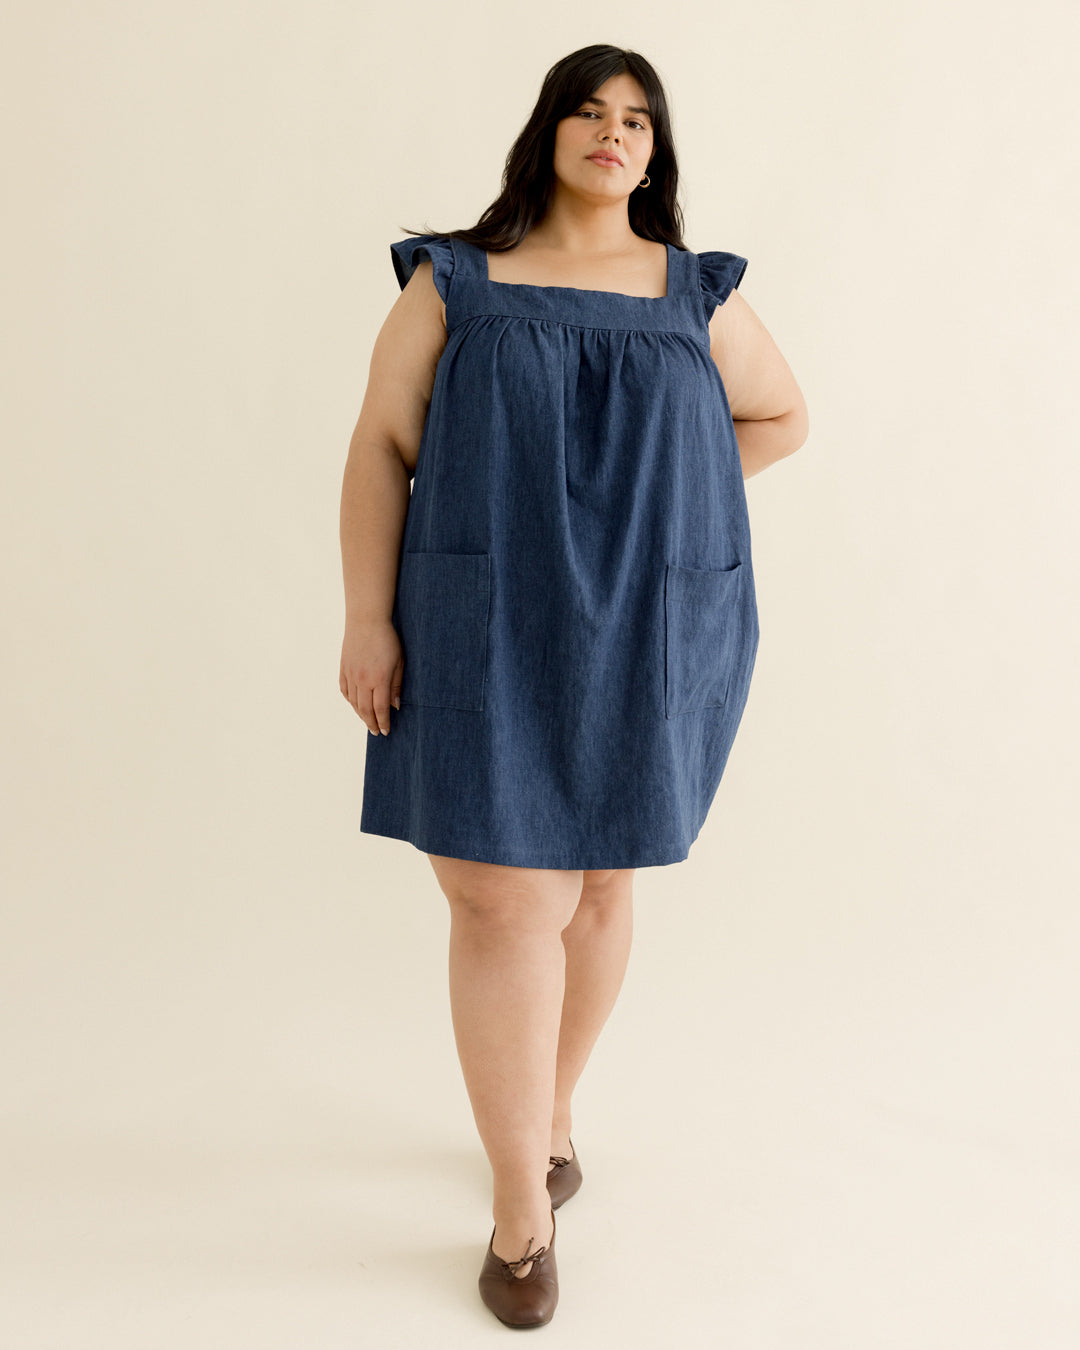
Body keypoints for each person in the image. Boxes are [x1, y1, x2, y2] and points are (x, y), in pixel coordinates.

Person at [338, 44, 808, 1330]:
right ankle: (518, 1211)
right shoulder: (455, 280)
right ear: (547, 131)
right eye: (591, 111)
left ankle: (548, 1115)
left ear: (656, 155)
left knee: (600, 887)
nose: (615, 132)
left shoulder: (694, 293)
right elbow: (381, 445)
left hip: (649, 625)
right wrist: (367, 615)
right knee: (504, 902)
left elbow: (781, 418)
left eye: (638, 120)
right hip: (481, 617)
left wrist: (665, 513)